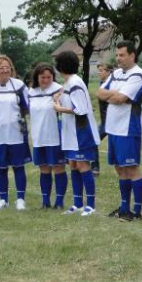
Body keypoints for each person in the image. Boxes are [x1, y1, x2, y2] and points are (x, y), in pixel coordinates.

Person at [97, 41, 142, 221]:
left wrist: (114, 96)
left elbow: (120, 98)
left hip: (128, 128)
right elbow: (99, 93)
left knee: (132, 168)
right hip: (113, 128)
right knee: (119, 169)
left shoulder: (138, 75)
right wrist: (115, 96)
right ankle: (124, 207)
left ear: (132, 56)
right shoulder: (116, 73)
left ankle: (137, 211)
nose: (118, 58)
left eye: (122, 55)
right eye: (117, 55)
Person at [0, 55, 31, 211]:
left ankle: (20, 199)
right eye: (1, 67)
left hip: (16, 132)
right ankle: (3, 199)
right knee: (1, 167)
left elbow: (27, 107)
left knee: (18, 166)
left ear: (12, 69)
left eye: (7, 67)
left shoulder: (19, 85)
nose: (4, 69)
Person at [53, 51, 100, 216]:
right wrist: (57, 99)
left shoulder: (75, 83)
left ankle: (91, 204)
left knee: (82, 165)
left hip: (81, 132)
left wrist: (60, 109)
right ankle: (78, 203)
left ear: (61, 66)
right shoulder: (66, 84)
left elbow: (81, 109)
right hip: (70, 132)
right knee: (73, 164)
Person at [28, 62, 68, 209]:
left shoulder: (59, 90)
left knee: (58, 167)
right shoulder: (31, 92)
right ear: (37, 77)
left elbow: (67, 110)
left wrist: (57, 100)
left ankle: (59, 201)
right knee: (44, 168)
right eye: (42, 77)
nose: (45, 80)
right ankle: (45, 201)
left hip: (55, 137)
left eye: (49, 77)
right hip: (39, 137)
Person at [90, 62, 114, 175]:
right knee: (93, 141)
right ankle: (95, 168)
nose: (99, 72)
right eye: (98, 70)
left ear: (109, 72)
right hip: (105, 123)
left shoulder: (114, 84)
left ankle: (125, 168)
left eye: (101, 70)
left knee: (117, 148)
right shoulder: (101, 84)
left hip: (115, 122)